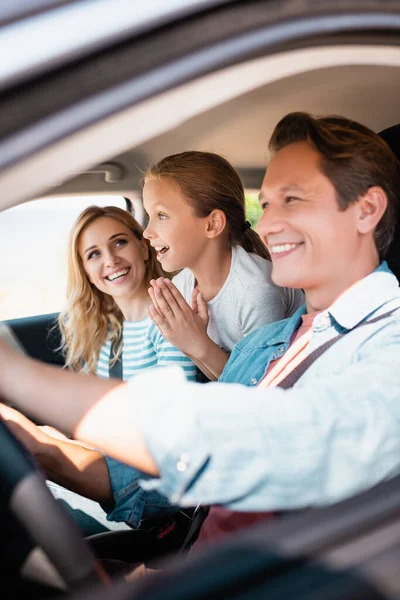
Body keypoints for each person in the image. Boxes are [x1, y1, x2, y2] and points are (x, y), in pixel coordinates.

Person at [1, 112, 400, 564]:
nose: (266, 225)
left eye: (292, 199)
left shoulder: (386, 344)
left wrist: (16, 375)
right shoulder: (271, 340)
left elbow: (247, 435)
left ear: (366, 210)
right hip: (196, 551)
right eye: (266, 204)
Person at [42, 205, 198, 535]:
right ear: (85, 271)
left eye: (119, 243)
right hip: (122, 461)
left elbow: (170, 428)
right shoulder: (110, 336)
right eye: (94, 254)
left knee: (34, 448)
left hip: (162, 477)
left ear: (143, 247)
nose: (110, 260)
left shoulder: (168, 320)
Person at [142, 151, 304, 380]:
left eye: (162, 215)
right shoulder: (180, 287)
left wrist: (197, 343)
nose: (147, 232)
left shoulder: (255, 292)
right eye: (150, 216)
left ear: (212, 224)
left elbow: (259, 389)